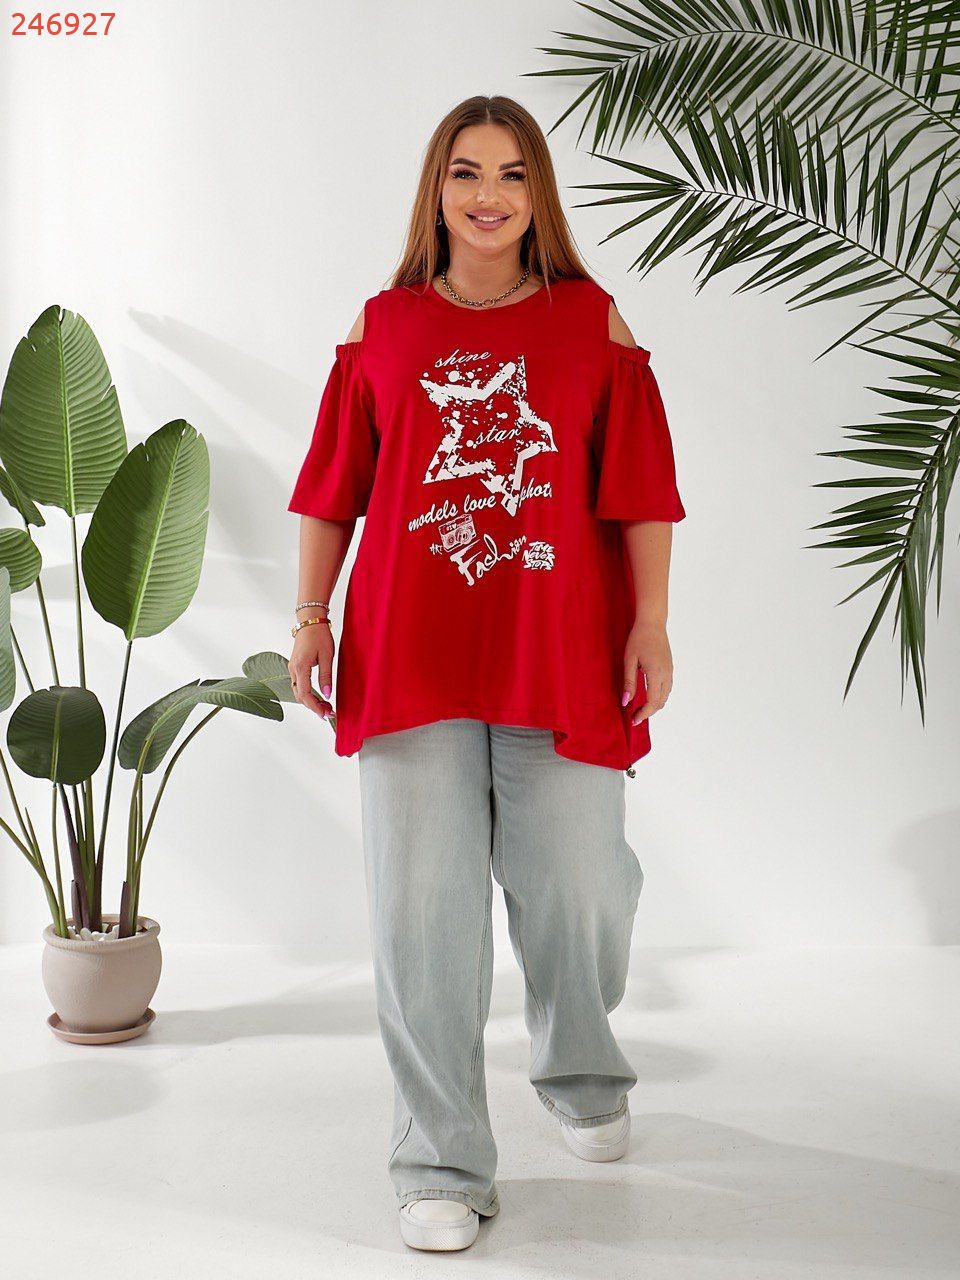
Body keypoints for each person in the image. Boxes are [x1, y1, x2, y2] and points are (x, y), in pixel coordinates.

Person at [287, 94, 686, 1253]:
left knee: (581, 886)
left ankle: (579, 1063)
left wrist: (652, 621)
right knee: (421, 912)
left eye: (513, 174)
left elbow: (640, 486)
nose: (489, 195)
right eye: (466, 172)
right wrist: (311, 614)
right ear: (437, 190)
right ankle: (441, 1158)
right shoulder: (383, 325)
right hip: (411, 652)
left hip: (557, 648)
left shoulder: (591, 321)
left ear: (538, 194)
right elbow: (333, 487)